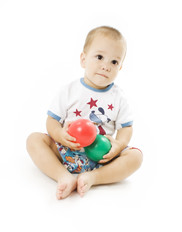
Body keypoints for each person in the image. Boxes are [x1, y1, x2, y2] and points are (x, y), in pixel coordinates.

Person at [26, 26, 143, 200]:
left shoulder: (119, 97)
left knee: (136, 157)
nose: (106, 66)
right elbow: (52, 120)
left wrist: (118, 144)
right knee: (34, 139)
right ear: (83, 59)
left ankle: (93, 177)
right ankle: (62, 176)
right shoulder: (70, 90)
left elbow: (126, 127)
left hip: (102, 157)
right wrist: (59, 135)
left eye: (114, 62)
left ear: (120, 67)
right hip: (67, 150)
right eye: (99, 57)